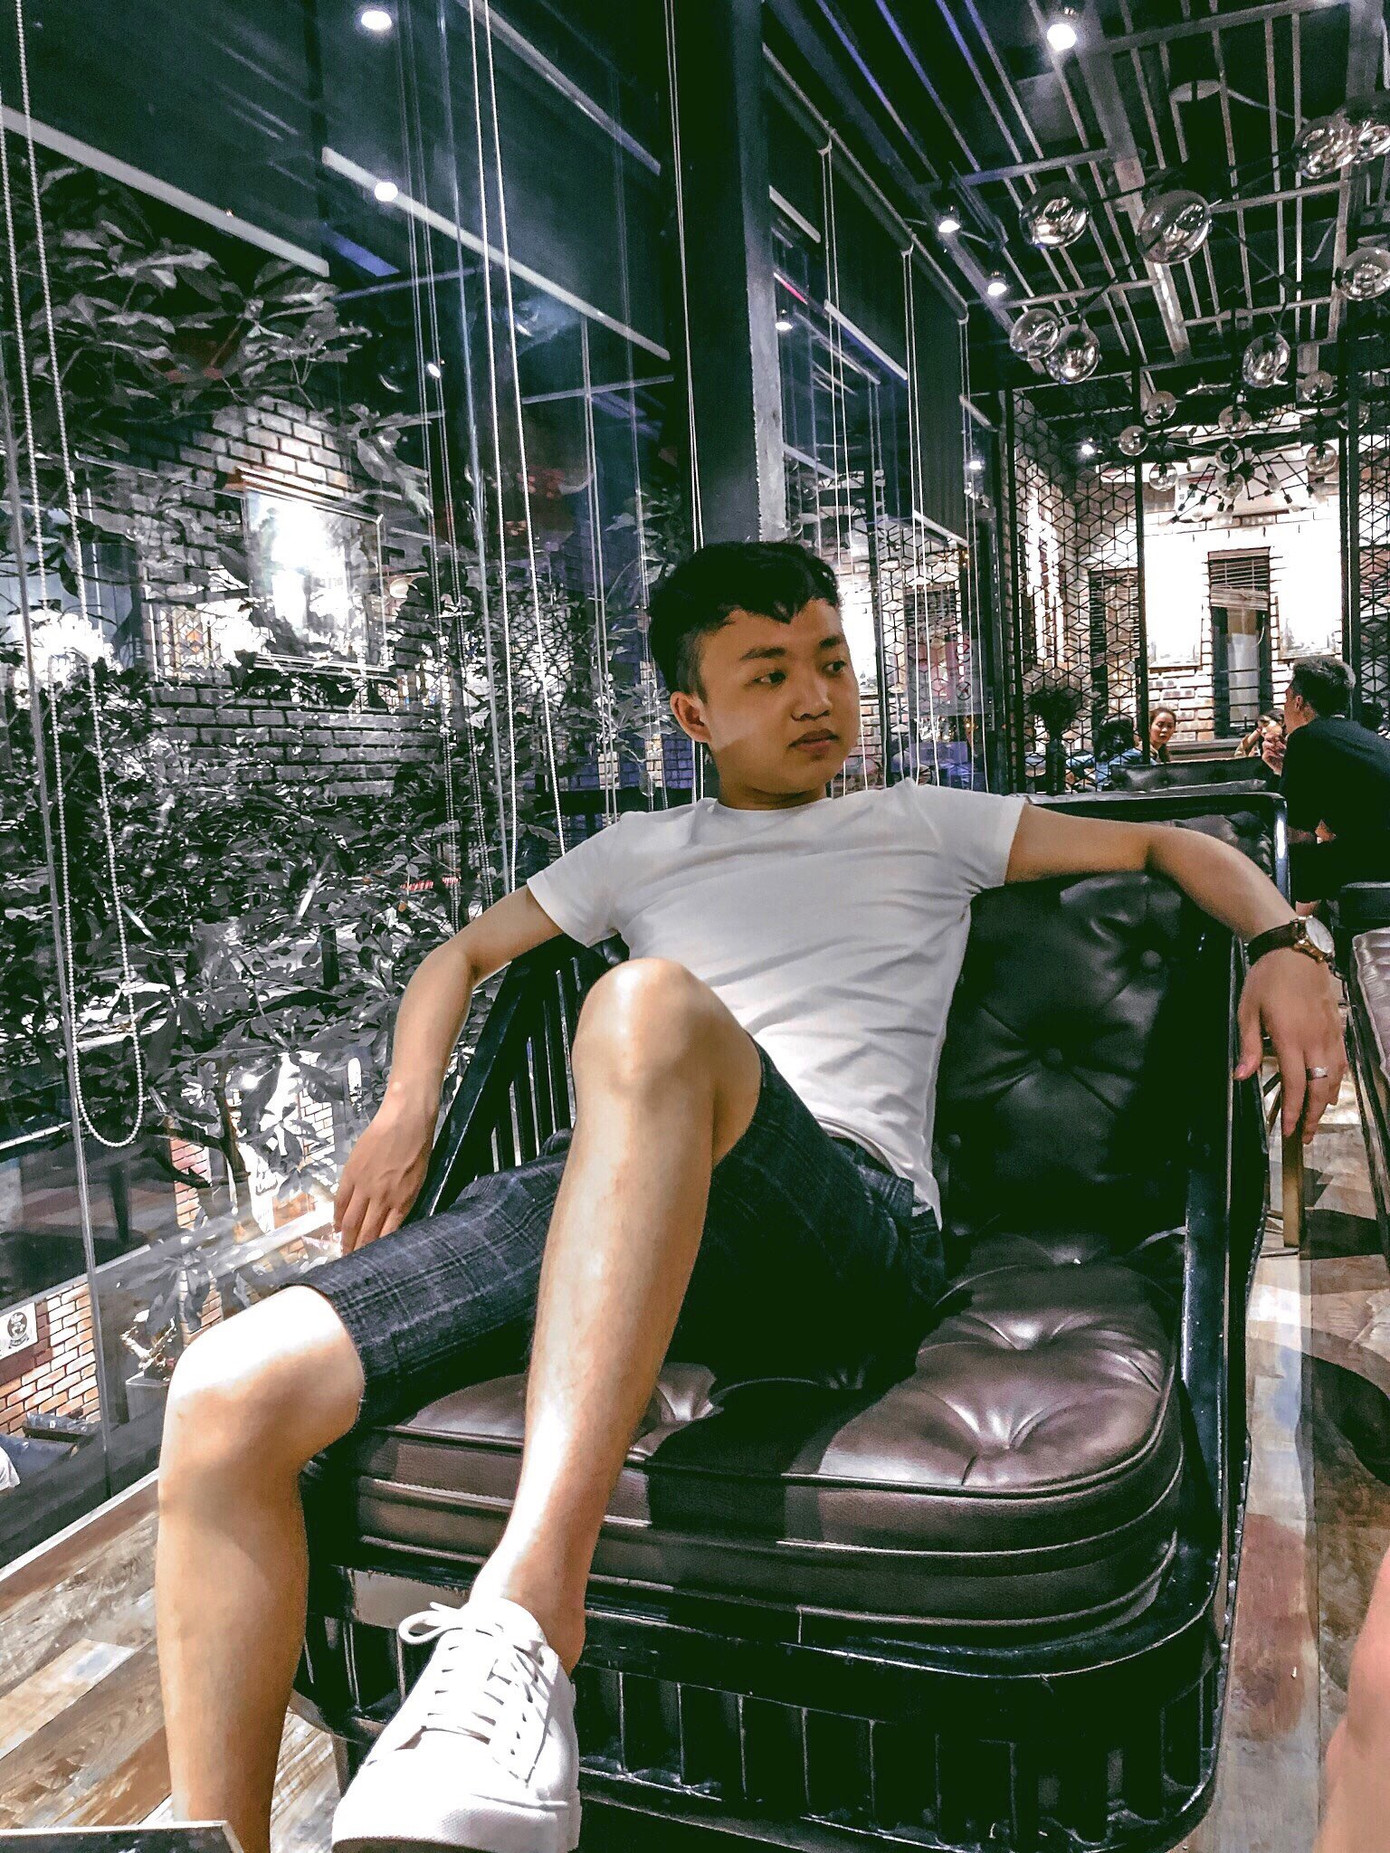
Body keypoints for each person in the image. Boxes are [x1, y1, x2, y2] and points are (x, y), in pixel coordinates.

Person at [154, 542, 1345, 1853]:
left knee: (646, 1007)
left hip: (835, 1215)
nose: (815, 697)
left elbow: (1172, 841)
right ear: (692, 713)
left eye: (830, 662)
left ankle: (525, 1620)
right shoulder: (636, 850)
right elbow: (461, 953)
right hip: (609, 1191)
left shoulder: (924, 821)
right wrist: (404, 1105)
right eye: (767, 674)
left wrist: (1286, 940)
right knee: (222, 1391)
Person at [1282, 656, 1390, 901]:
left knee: (1266, 871)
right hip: (1377, 851)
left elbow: (1299, 833)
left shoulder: (1306, 738)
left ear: (1298, 702)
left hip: (1375, 859)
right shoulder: (1368, 738)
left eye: (1286, 699)